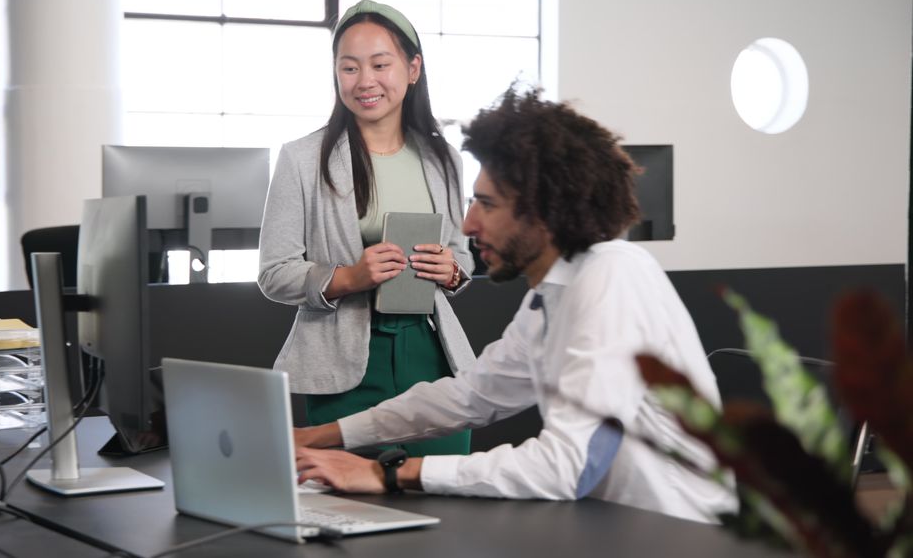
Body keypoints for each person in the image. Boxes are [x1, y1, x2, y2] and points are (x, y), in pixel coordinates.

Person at [291, 87, 738, 524]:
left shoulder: (613, 275)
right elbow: (470, 396)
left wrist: (388, 473)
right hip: (614, 526)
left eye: (487, 205)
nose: (468, 224)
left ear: (544, 213)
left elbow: (568, 466)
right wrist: (318, 436)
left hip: (681, 535)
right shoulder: (552, 293)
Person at [257, 0, 475, 457]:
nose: (364, 81)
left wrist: (452, 270)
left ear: (413, 69)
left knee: (444, 489)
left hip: (432, 354)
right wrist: (348, 277)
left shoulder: (444, 159)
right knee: (347, 493)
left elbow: (462, 255)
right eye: (349, 67)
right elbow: (274, 273)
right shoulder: (302, 159)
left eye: (380, 64)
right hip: (343, 361)